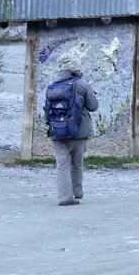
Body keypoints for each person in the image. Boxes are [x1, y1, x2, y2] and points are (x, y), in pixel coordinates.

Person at [46, 57, 98, 207]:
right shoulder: (82, 85)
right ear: (76, 69)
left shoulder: (52, 86)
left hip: (57, 131)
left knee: (62, 164)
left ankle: (65, 197)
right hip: (79, 131)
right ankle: (77, 192)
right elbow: (93, 106)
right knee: (77, 163)